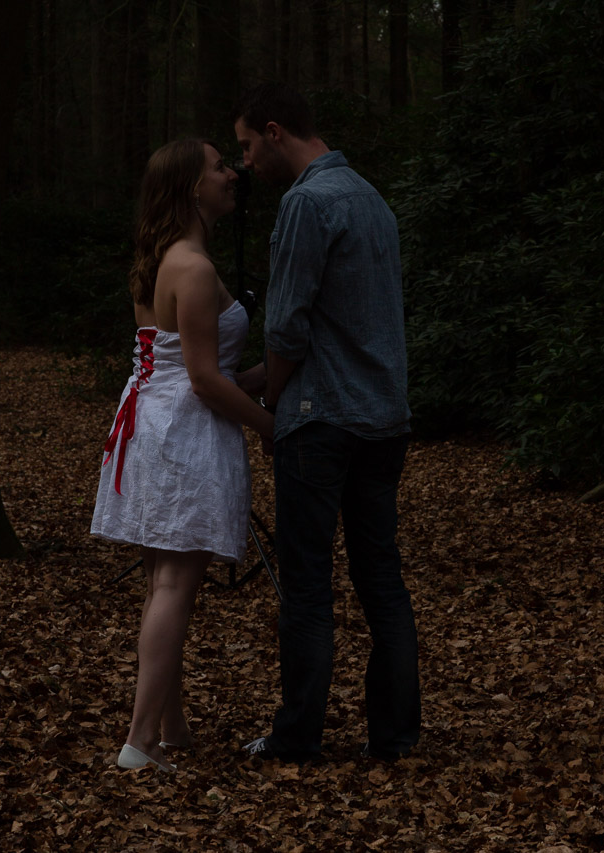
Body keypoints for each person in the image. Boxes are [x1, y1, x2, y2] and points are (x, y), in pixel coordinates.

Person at [229, 83, 421, 764]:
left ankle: (297, 737)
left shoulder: (306, 203)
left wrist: (270, 400)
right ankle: (394, 737)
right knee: (381, 578)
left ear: (274, 131)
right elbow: (341, 327)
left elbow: (288, 327)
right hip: (383, 420)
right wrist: (248, 381)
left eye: (246, 146)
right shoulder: (372, 199)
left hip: (321, 422)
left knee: (308, 583)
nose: (244, 162)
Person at [90, 137, 273, 773]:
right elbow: (202, 380)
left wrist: (273, 372)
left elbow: (191, 368)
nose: (232, 174)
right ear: (192, 188)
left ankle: (170, 726)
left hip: (154, 423)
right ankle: (140, 742)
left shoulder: (162, 259)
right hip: (182, 433)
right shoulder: (192, 267)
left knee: (160, 581)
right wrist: (271, 426)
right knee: (173, 583)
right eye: (219, 167)